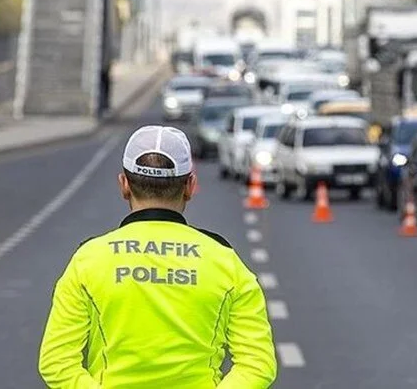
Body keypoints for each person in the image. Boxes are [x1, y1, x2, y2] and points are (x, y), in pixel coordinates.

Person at [38, 125, 277, 388]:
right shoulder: (225, 261)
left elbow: (56, 362)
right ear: (190, 186)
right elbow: (258, 364)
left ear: (124, 185)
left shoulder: (88, 260)